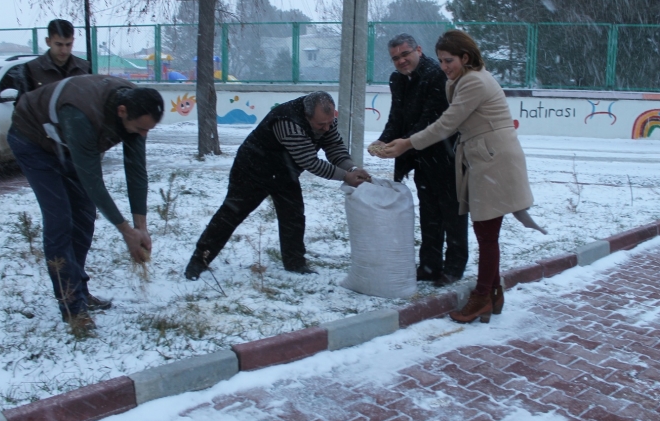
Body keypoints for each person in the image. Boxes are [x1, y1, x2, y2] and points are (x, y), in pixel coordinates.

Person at [380, 29, 545, 324]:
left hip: (490, 159)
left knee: (484, 233)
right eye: (442, 60)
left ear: (465, 57)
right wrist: (390, 140)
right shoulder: (465, 78)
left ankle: (480, 296)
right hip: (482, 156)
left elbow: (444, 123)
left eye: (449, 60)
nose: (445, 67)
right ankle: (491, 294)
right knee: (484, 232)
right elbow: (404, 115)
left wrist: (405, 143)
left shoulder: (471, 81)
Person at [8, 75, 165, 330]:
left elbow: (136, 171)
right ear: (122, 111)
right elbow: (93, 183)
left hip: (67, 141)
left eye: (149, 129)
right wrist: (126, 232)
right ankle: (72, 306)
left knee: (83, 215)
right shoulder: (82, 114)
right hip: (33, 139)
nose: (144, 134)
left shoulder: (137, 107)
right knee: (60, 219)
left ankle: (79, 289)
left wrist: (141, 227)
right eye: (141, 128)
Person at [185, 91, 371, 279]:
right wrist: (346, 177)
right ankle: (198, 262)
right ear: (307, 117)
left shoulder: (326, 120)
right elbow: (310, 161)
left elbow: (334, 147)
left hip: (284, 171)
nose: (326, 128)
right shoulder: (288, 122)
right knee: (231, 214)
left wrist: (352, 168)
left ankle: (295, 264)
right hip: (252, 168)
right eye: (321, 125)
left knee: (294, 215)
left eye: (330, 123)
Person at [368, 34, 468, 286]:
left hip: (448, 156)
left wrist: (403, 144)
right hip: (421, 158)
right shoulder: (396, 80)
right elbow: (397, 117)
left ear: (419, 50)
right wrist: (383, 141)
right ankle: (429, 265)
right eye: (395, 58)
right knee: (428, 213)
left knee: (453, 215)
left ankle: (454, 268)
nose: (401, 61)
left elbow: (431, 120)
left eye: (405, 54)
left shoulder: (436, 75)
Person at [20, 19, 91, 93]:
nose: (64, 50)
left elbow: (92, 99)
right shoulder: (31, 69)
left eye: (68, 44)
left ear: (73, 41)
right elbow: (23, 102)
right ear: (48, 41)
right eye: (59, 44)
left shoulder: (84, 68)